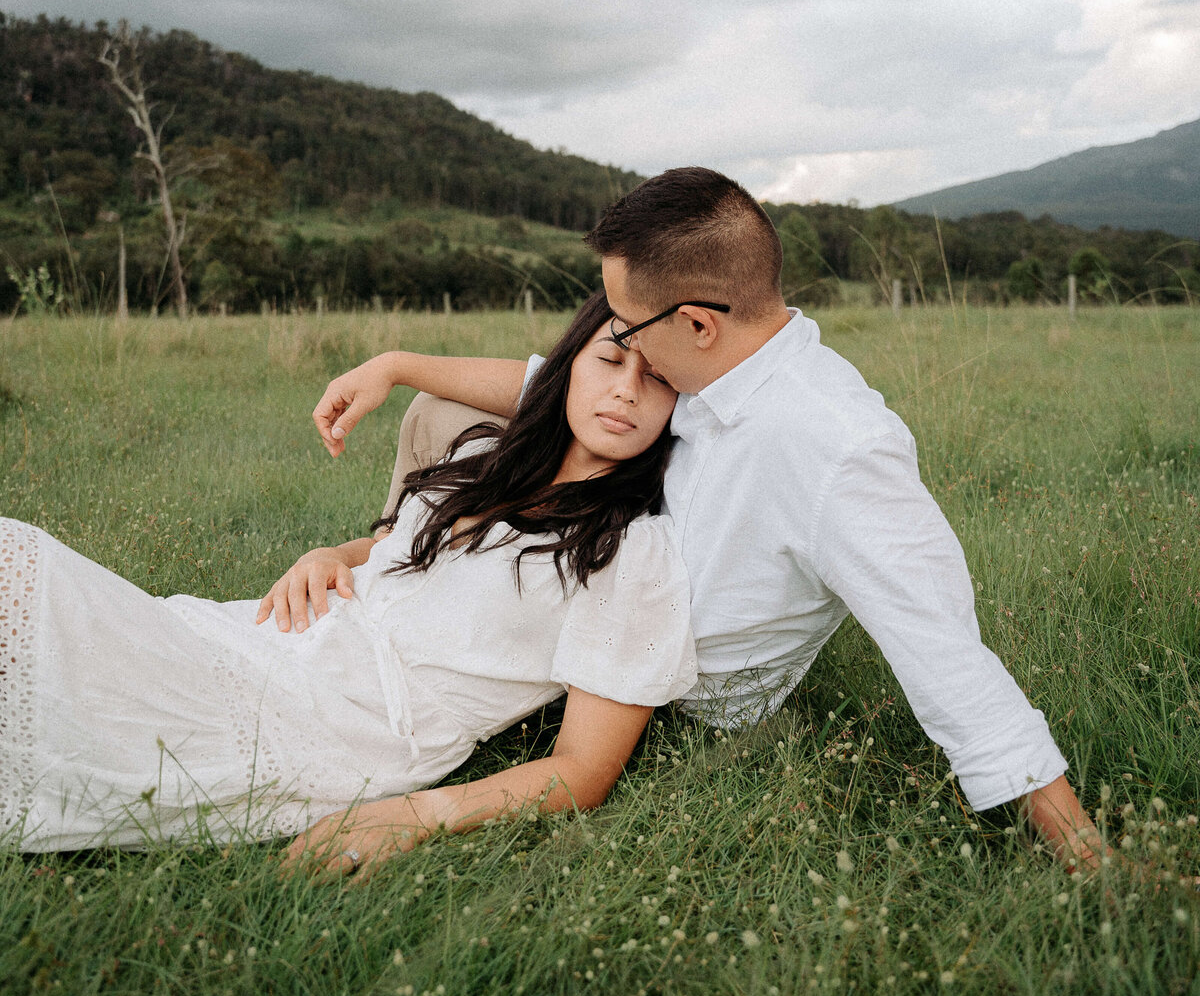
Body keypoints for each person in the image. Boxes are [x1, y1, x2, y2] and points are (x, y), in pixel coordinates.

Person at [315, 167, 1106, 875]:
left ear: (696, 324)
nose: (618, 338)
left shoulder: (839, 449)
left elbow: (947, 657)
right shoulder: (721, 354)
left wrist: (1085, 850)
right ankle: (386, 563)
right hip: (590, 567)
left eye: (628, 324)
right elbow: (554, 384)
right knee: (445, 409)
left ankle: (394, 593)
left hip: (643, 676)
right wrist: (395, 364)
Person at [0, 294, 696, 875]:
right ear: (566, 370)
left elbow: (582, 770)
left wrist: (417, 814)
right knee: (31, 577)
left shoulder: (631, 554)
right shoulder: (492, 454)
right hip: (273, 636)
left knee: (41, 602)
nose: (626, 390)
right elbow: (403, 550)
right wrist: (331, 553)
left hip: (339, 718)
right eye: (608, 359)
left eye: (658, 377)